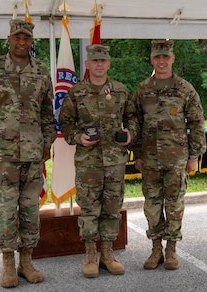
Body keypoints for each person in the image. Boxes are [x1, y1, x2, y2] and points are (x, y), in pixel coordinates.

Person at [0, 19, 57, 288]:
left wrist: (48, 142)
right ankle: (8, 264)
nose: (22, 42)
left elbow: (46, 111)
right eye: (17, 37)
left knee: (31, 209)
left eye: (27, 38)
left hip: (33, 152)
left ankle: (27, 262)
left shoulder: (42, 71)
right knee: (7, 209)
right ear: (9, 39)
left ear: (32, 41)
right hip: (3, 153)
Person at [58, 44, 138, 278]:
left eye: (103, 61)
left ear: (108, 64)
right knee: (90, 209)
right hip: (88, 161)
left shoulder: (121, 91)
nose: (99, 65)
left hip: (114, 160)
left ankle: (108, 252)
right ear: (88, 64)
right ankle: (91, 254)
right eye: (95, 61)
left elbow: (133, 117)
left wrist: (130, 134)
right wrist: (78, 137)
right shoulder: (76, 92)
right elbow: (65, 122)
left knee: (112, 208)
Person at [132, 40, 206, 271]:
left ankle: (172, 249)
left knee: (174, 205)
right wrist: (137, 153)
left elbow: (197, 123)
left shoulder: (185, 89)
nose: (161, 61)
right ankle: (156, 249)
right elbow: (135, 121)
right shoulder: (143, 89)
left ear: (172, 59)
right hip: (150, 158)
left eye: (166, 57)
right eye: (157, 57)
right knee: (152, 205)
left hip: (176, 158)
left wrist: (194, 155)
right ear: (152, 59)